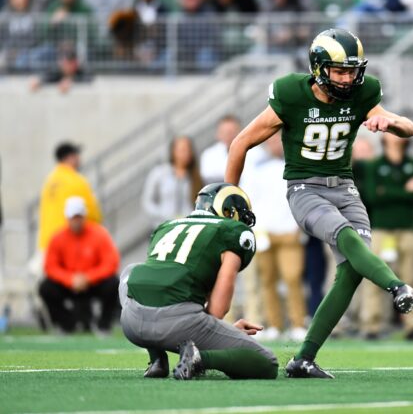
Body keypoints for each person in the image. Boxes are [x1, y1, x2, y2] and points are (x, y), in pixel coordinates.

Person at [224, 28, 413, 378]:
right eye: (340, 71)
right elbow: (240, 143)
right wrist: (229, 194)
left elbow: (409, 129)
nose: (348, 78)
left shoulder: (364, 92)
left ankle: (304, 358)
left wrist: (389, 121)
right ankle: (397, 287)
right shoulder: (291, 93)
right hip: (305, 189)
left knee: (352, 270)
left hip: (345, 188)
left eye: (352, 71)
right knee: (342, 233)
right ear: (318, 68)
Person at [120, 183, 278, 380]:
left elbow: (158, 281)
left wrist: (220, 331)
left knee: (130, 271)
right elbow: (218, 309)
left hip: (131, 323)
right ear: (228, 211)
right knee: (267, 362)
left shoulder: (167, 226)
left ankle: (157, 358)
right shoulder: (231, 231)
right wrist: (219, 331)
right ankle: (199, 359)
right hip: (178, 324)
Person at [359, 132, 413, 340]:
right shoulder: (375, 165)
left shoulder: (412, 163)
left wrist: (387, 191)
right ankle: (371, 324)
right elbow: (372, 196)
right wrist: (404, 191)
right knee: (374, 277)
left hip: (407, 228)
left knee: (410, 277)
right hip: (381, 229)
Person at [247, 133, 307, 342]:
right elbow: (250, 198)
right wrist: (256, 229)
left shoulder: (296, 166)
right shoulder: (255, 168)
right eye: (272, 141)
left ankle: (298, 324)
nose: (275, 145)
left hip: (289, 231)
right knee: (267, 280)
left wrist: (299, 226)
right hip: (265, 231)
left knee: (292, 278)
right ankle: (274, 324)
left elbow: (303, 198)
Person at [39, 197, 119, 333]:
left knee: (113, 283)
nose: (76, 221)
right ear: (67, 218)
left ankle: (104, 325)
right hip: (69, 284)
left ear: (84, 216)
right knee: (45, 288)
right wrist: (70, 279)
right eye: (73, 217)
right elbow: (50, 266)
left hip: (92, 283)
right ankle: (67, 323)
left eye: (79, 217)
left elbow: (111, 262)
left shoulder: (99, 234)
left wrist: (88, 278)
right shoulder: (58, 238)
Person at [38, 142, 102, 251]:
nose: (79, 159)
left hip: (47, 242)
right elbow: (92, 214)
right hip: (68, 243)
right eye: (76, 155)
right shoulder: (76, 180)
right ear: (70, 157)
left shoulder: (49, 181)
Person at [142, 136, 203, 227]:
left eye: (188, 150)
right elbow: (147, 202)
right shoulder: (159, 173)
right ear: (173, 151)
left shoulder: (195, 177)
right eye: (182, 150)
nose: (185, 154)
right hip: (164, 227)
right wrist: (164, 216)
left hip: (188, 228)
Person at [200, 115, 242, 185]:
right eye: (225, 132)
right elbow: (208, 176)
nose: (229, 135)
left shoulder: (254, 151)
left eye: (232, 131)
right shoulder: (208, 155)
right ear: (218, 134)